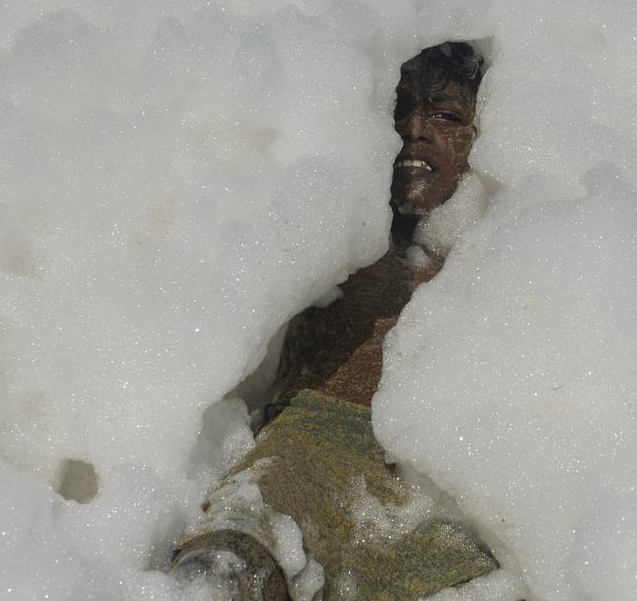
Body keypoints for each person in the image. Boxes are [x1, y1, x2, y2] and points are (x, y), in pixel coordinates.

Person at [171, 43, 495, 600]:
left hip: (434, 487)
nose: (415, 130)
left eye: (445, 116)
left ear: (480, 138)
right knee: (229, 565)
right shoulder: (333, 228)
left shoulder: (498, 254)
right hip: (308, 447)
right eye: (398, 110)